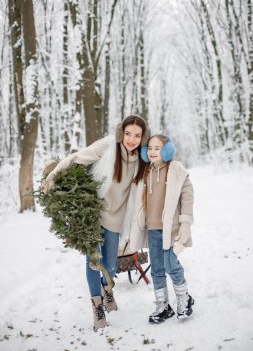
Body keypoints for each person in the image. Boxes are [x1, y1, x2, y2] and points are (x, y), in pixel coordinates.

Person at [42, 115, 150, 330]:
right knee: (94, 261)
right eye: (128, 134)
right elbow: (77, 158)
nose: (131, 139)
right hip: (92, 212)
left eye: (137, 136)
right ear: (122, 132)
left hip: (115, 218)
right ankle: (97, 307)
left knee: (109, 265)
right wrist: (52, 175)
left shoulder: (142, 159)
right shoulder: (109, 146)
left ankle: (106, 289)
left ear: (142, 138)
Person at [135, 134, 194, 324]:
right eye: (149, 148)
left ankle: (184, 299)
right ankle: (163, 305)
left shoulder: (174, 168)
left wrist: (186, 221)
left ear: (166, 150)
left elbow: (187, 195)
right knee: (157, 269)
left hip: (171, 228)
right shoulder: (145, 171)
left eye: (157, 148)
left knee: (170, 264)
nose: (152, 152)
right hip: (152, 229)